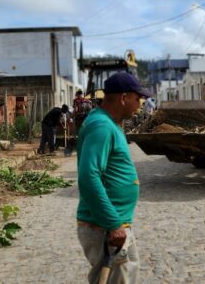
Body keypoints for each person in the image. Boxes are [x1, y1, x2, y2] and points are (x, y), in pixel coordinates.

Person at [76, 72, 150, 284]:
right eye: (138, 98)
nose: (140, 104)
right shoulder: (101, 126)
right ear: (123, 98)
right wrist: (113, 223)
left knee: (126, 275)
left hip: (114, 225)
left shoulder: (108, 123)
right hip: (106, 228)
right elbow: (88, 176)